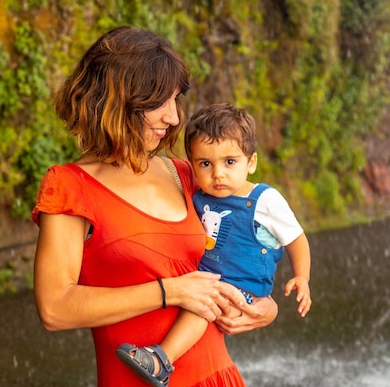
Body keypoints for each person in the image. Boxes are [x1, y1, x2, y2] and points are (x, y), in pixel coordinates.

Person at [31, 26, 278, 387]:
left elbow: (245, 252)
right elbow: (54, 307)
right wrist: (170, 291)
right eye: (158, 102)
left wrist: (264, 306)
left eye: (175, 100)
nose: (174, 117)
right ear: (117, 100)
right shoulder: (70, 186)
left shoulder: (185, 174)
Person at [116, 103, 312, 387]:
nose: (218, 174)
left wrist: (302, 277)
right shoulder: (199, 194)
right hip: (206, 278)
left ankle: (160, 361)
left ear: (251, 162)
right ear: (193, 165)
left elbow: (296, 238)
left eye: (229, 162)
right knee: (202, 296)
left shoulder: (264, 201)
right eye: (205, 164)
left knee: (202, 305)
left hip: (240, 287)